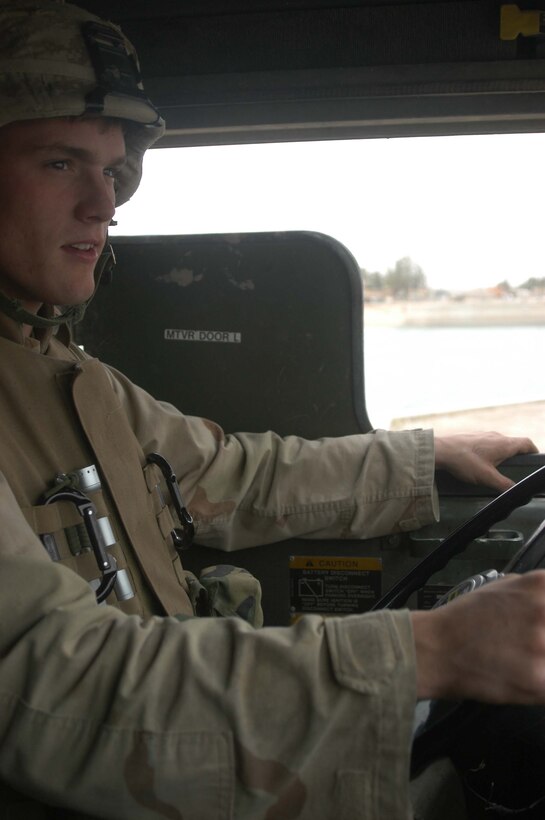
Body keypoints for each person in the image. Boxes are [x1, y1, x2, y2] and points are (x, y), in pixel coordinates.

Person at [0, 2, 543, 818]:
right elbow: (46, 679)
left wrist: (415, 458)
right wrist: (429, 650)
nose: (102, 204)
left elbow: (224, 474)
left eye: (112, 171)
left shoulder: (65, 374)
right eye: (59, 164)